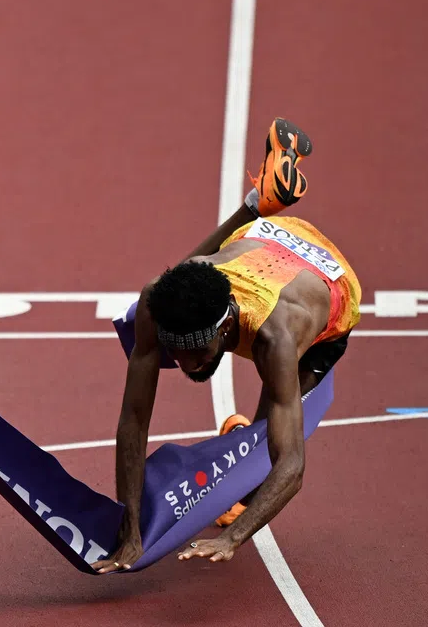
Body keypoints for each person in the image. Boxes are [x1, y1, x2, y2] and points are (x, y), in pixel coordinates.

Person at [93, 118, 361, 573]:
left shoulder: (276, 339)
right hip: (260, 243)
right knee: (153, 306)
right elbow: (133, 420)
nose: (183, 364)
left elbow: (292, 467)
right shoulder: (160, 299)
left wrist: (232, 538)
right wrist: (130, 532)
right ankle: (259, 204)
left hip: (328, 286)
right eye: (174, 353)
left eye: (192, 355)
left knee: (266, 454)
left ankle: (241, 447)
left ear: (220, 332)